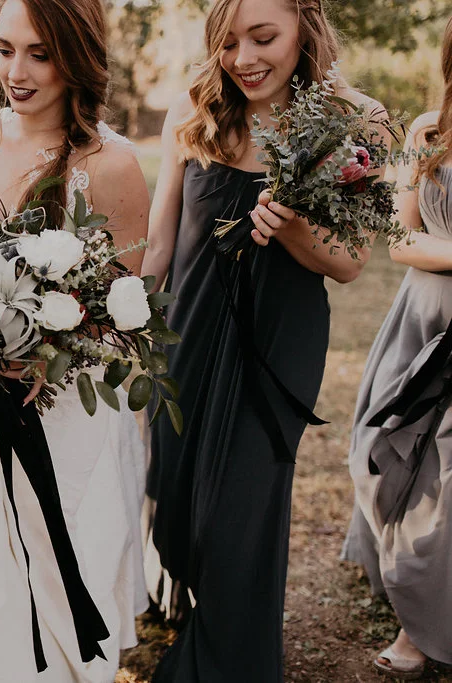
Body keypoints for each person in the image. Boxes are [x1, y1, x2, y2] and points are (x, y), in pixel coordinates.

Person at [140, 0, 386, 680]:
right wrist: (120, 318)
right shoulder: (194, 112)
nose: (244, 58)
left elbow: (351, 260)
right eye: (229, 42)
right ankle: (195, 608)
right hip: (188, 333)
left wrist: (294, 225)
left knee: (237, 517)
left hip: (276, 344)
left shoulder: (355, 124)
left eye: (263, 37)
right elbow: (161, 243)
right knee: (178, 503)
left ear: (306, 25)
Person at [0, 0, 151, 680]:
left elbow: (125, 309)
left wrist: (46, 346)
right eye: (5, 49)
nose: (16, 70)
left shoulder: (113, 165)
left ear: (76, 55)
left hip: (71, 414)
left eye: (39, 53)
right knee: (0, 578)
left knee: (70, 575)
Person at [341, 15, 452, 678]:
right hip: (420, 328)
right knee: (393, 461)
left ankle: (425, 628)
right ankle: (417, 599)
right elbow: (401, 238)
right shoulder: (428, 133)